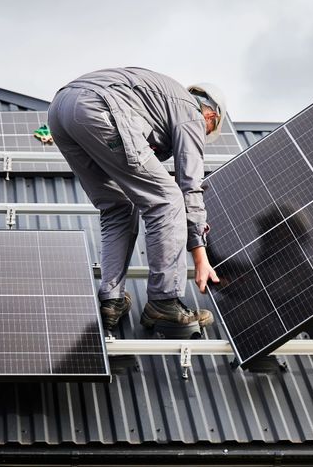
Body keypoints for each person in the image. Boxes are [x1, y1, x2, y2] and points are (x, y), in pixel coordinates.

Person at [47, 67, 223, 335]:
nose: (202, 136)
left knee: (117, 206)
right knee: (167, 199)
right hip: (98, 106)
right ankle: (164, 301)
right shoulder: (191, 112)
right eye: (207, 130)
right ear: (210, 114)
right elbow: (190, 186)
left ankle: (111, 299)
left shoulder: (160, 99)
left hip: (60, 110)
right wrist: (200, 254)